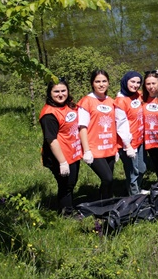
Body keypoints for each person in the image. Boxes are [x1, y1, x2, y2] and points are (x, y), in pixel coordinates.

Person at [78, 70, 128, 200]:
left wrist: (116, 148)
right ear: (92, 84)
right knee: (108, 178)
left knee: (108, 182)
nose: (101, 84)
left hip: (109, 148)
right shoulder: (86, 101)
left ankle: (106, 205)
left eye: (104, 81)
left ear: (109, 83)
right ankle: (101, 205)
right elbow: (82, 127)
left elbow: (115, 125)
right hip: (94, 149)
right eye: (97, 81)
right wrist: (87, 150)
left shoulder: (111, 101)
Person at [39, 78, 83, 215]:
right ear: (50, 93)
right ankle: (67, 213)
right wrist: (62, 162)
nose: (60, 94)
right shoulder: (49, 114)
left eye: (63, 90)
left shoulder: (69, 105)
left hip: (73, 152)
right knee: (66, 185)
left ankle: (68, 206)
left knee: (71, 182)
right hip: (59, 156)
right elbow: (51, 140)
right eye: (56, 91)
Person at [115, 71, 146, 196]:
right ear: (125, 81)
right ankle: (134, 197)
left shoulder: (137, 95)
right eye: (132, 82)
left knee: (142, 168)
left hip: (140, 139)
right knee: (133, 171)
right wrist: (127, 146)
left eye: (138, 82)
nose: (136, 85)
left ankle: (136, 189)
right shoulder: (120, 101)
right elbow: (120, 125)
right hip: (129, 143)